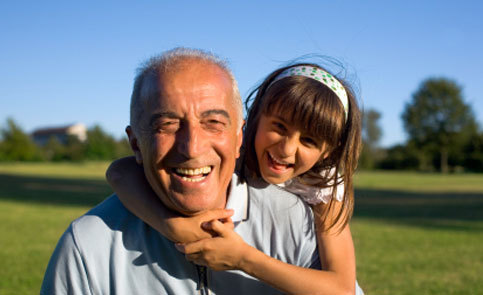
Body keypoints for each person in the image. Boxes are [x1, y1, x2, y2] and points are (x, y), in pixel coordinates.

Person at [40, 48, 323, 295]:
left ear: (239, 137)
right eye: (167, 125)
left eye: (213, 122)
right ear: (136, 144)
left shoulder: (294, 222)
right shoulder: (87, 247)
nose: (191, 148)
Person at [107, 61, 364, 294]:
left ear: (328, 150)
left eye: (308, 140)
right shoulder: (232, 151)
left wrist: (244, 259)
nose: (286, 149)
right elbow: (119, 172)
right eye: (279, 127)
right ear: (256, 116)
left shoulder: (325, 189)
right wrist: (172, 226)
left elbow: (341, 289)